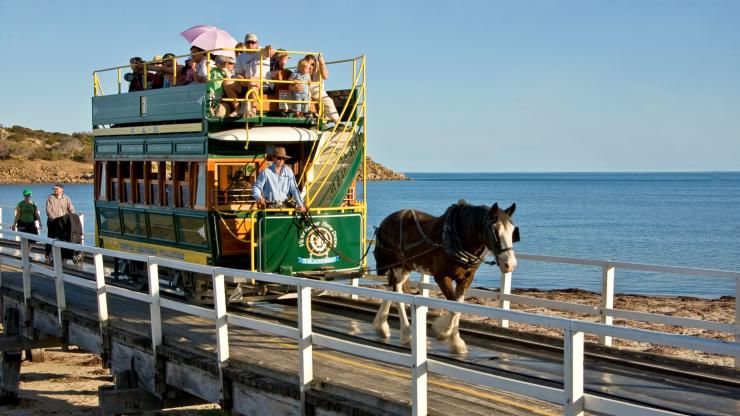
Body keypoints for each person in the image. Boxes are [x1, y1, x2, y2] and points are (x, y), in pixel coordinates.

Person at [224, 33, 275, 116]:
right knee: (227, 82)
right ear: (245, 44)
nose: (250, 44)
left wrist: (269, 48)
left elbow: (267, 51)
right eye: (248, 43)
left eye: (253, 42)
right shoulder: (241, 57)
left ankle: (253, 110)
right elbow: (238, 74)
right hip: (247, 82)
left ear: (257, 43)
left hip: (264, 84)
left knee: (252, 80)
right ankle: (237, 109)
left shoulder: (261, 51)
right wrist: (242, 80)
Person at [252, 147, 306, 212]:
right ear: (273, 158)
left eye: (283, 158)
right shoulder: (266, 172)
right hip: (270, 207)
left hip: (285, 206)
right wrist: (259, 197)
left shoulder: (289, 171)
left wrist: (301, 205)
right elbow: (256, 187)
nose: (281, 160)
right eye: (279, 158)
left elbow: (294, 189)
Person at [302, 53, 339, 123]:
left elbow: (325, 76)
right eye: (308, 64)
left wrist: (322, 63)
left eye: (312, 64)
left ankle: (337, 122)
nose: (310, 67)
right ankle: (307, 113)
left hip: (318, 91)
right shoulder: (301, 70)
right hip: (306, 91)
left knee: (329, 101)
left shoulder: (318, 69)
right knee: (305, 94)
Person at [45, 184, 75, 261]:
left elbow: (71, 209)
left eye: (57, 189)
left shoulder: (66, 198)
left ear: (62, 189)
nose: (55, 190)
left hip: (62, 223)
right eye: (54, 189)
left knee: (63, 239)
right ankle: (48, 254)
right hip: (53, 222)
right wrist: (54, 219)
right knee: (50, 238)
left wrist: (72, 217)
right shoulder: (50, 198)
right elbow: (48, 210)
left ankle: (63, 255)